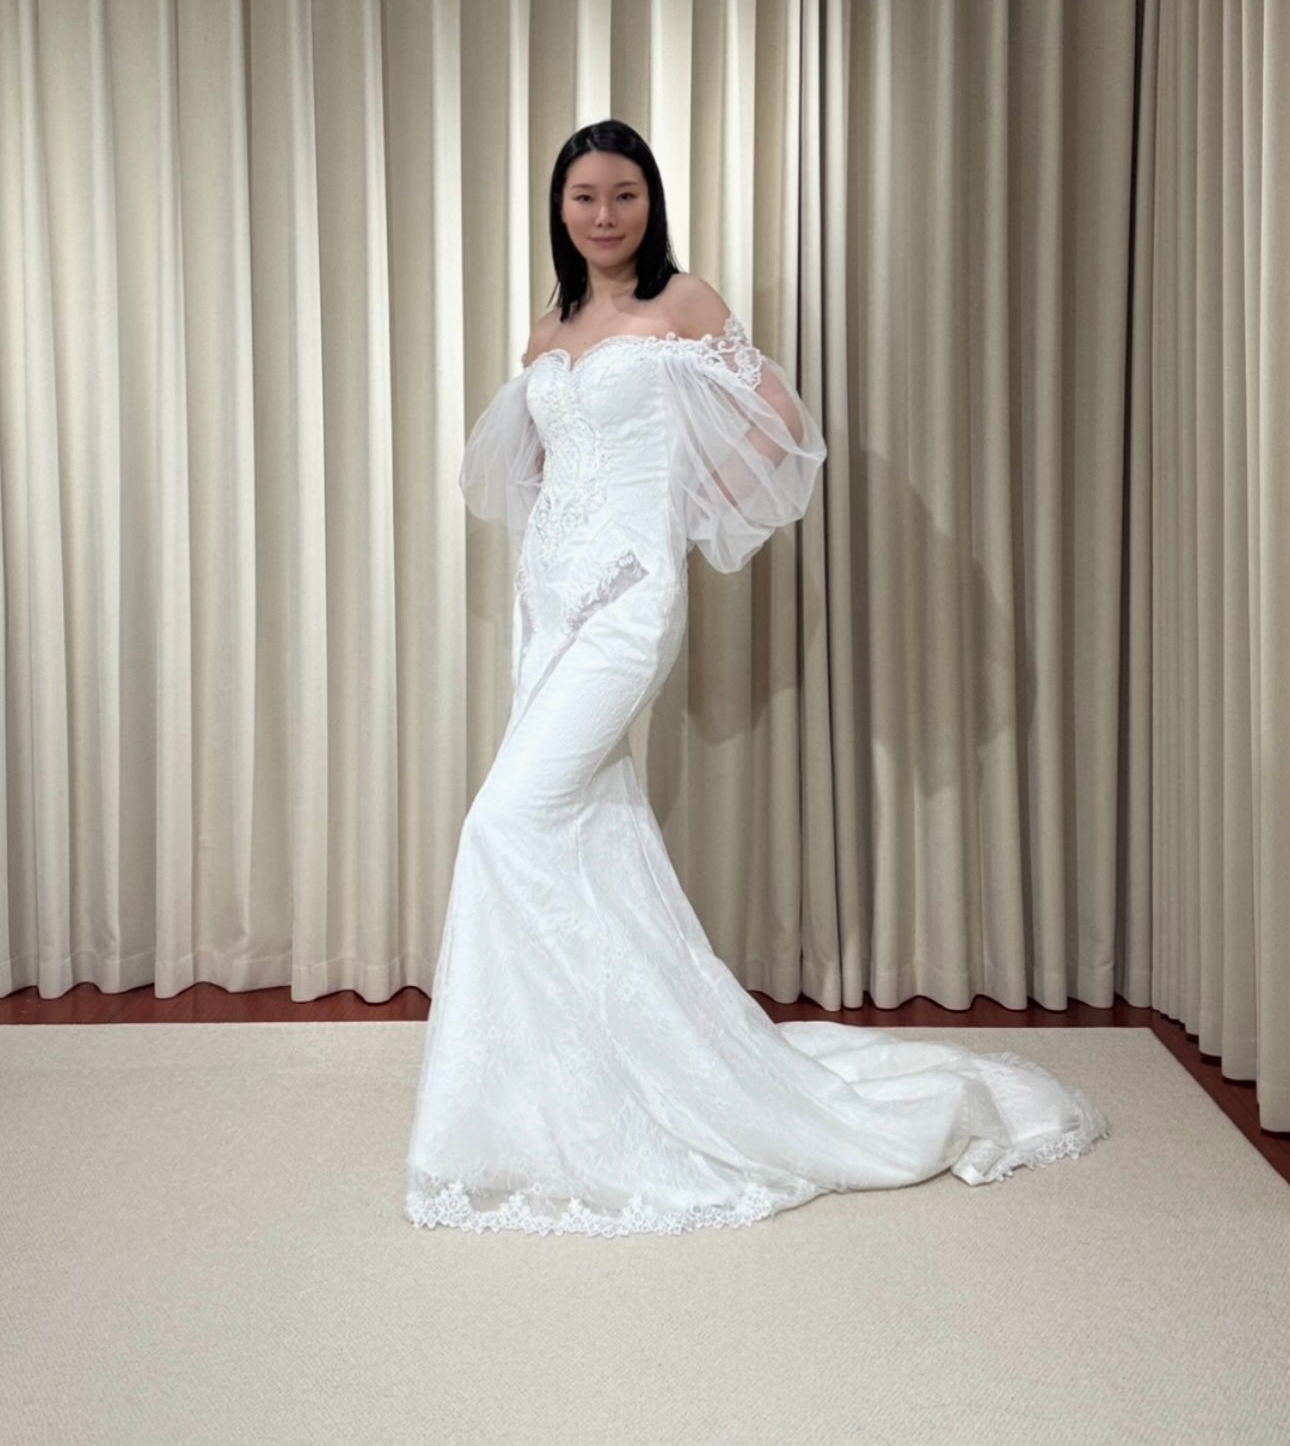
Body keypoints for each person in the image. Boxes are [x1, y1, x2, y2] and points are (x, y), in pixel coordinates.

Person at [405, 119, 1107, 1237]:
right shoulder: (551, 325)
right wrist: (554, 555)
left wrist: (672, 509)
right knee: (584, 828)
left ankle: (655, 1088)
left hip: (628, 600)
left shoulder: (684, 302)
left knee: (504, 822)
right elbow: (540, 466)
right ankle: (582, 1068)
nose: (604, 214)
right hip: (549, 606)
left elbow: (781, 434)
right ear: (559, 208)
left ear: (651, 201)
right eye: (584, 196)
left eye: (624, 193)